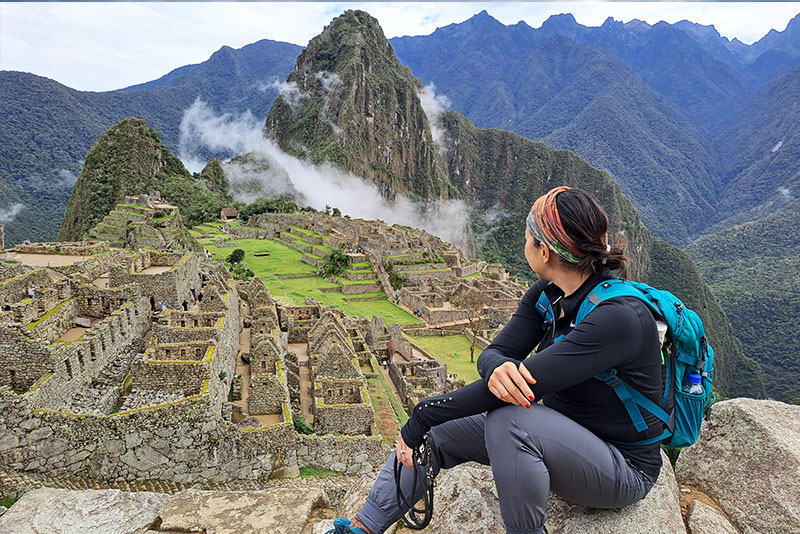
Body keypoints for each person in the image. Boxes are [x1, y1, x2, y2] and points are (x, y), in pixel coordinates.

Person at [328, 187, 663, 534]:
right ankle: (362, 528)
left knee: (508, 420)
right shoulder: (547, 295)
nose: (524, 242)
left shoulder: (618, 318)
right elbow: (494, 353)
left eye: (527, 237)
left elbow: (523, 388)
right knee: (439, 432)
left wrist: (421, 414)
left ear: (544, 252)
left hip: (623, 466)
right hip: (563, 435)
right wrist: (495, 368)